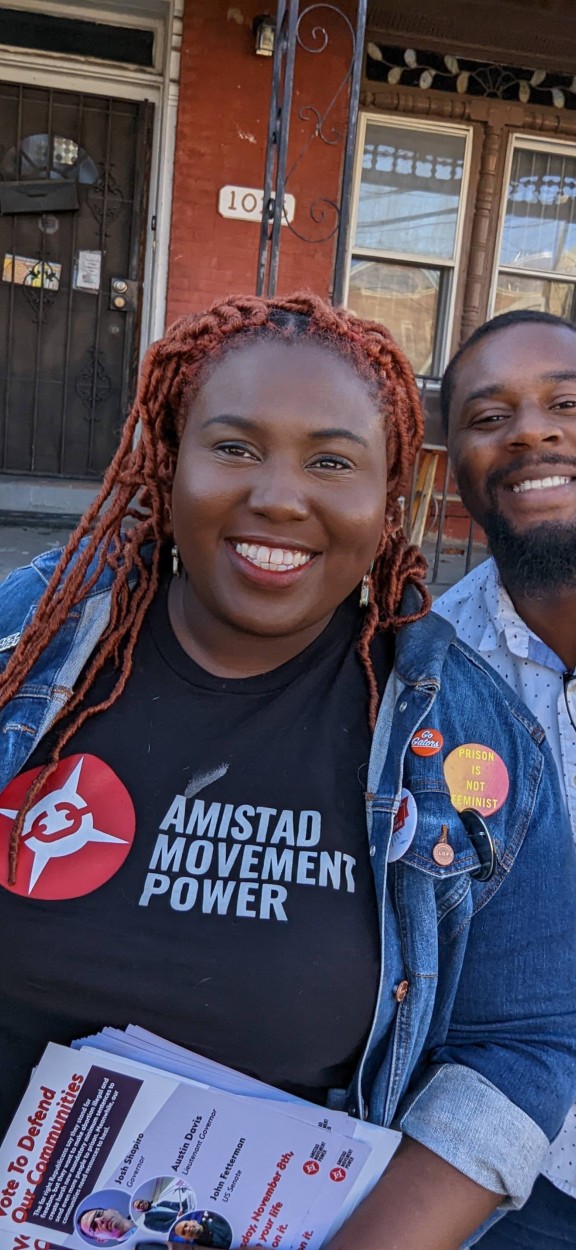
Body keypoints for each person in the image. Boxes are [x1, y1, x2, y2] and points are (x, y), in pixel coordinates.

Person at [0, 293, 575, 1250]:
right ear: (166, 462)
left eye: (331, 461)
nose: (278, 494)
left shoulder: (473, 730)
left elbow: (520, 1044)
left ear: (391, 497)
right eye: (232, 447)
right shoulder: (32, 637)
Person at [436, 308, 576, 1248]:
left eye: (566, 403)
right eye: (490, 416)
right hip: (526, 1175)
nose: (531, 430)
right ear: (452, 467)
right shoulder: (426, 678)